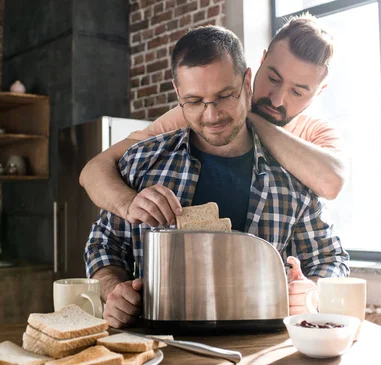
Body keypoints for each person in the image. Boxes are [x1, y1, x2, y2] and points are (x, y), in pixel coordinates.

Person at [84, 25, 349, 328]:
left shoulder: (298, 172)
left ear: (245, 83)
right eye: (195, 101)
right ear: (179, 95)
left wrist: (311, 292)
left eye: (225, 96)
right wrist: (112, 288)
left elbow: (330, 258)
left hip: (260, 357)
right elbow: (103, 243)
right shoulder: (145, 159)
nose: (211, 116)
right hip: (158, 351)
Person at [79, 13, 346, 232]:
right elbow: (94, 169)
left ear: (319, 92)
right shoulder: (207, 113)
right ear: (262, 61)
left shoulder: (317, 133)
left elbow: (331, 183)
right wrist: (128, 205)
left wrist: (247, 114)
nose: (276, 99)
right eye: (273, 79)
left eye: (297, 92)